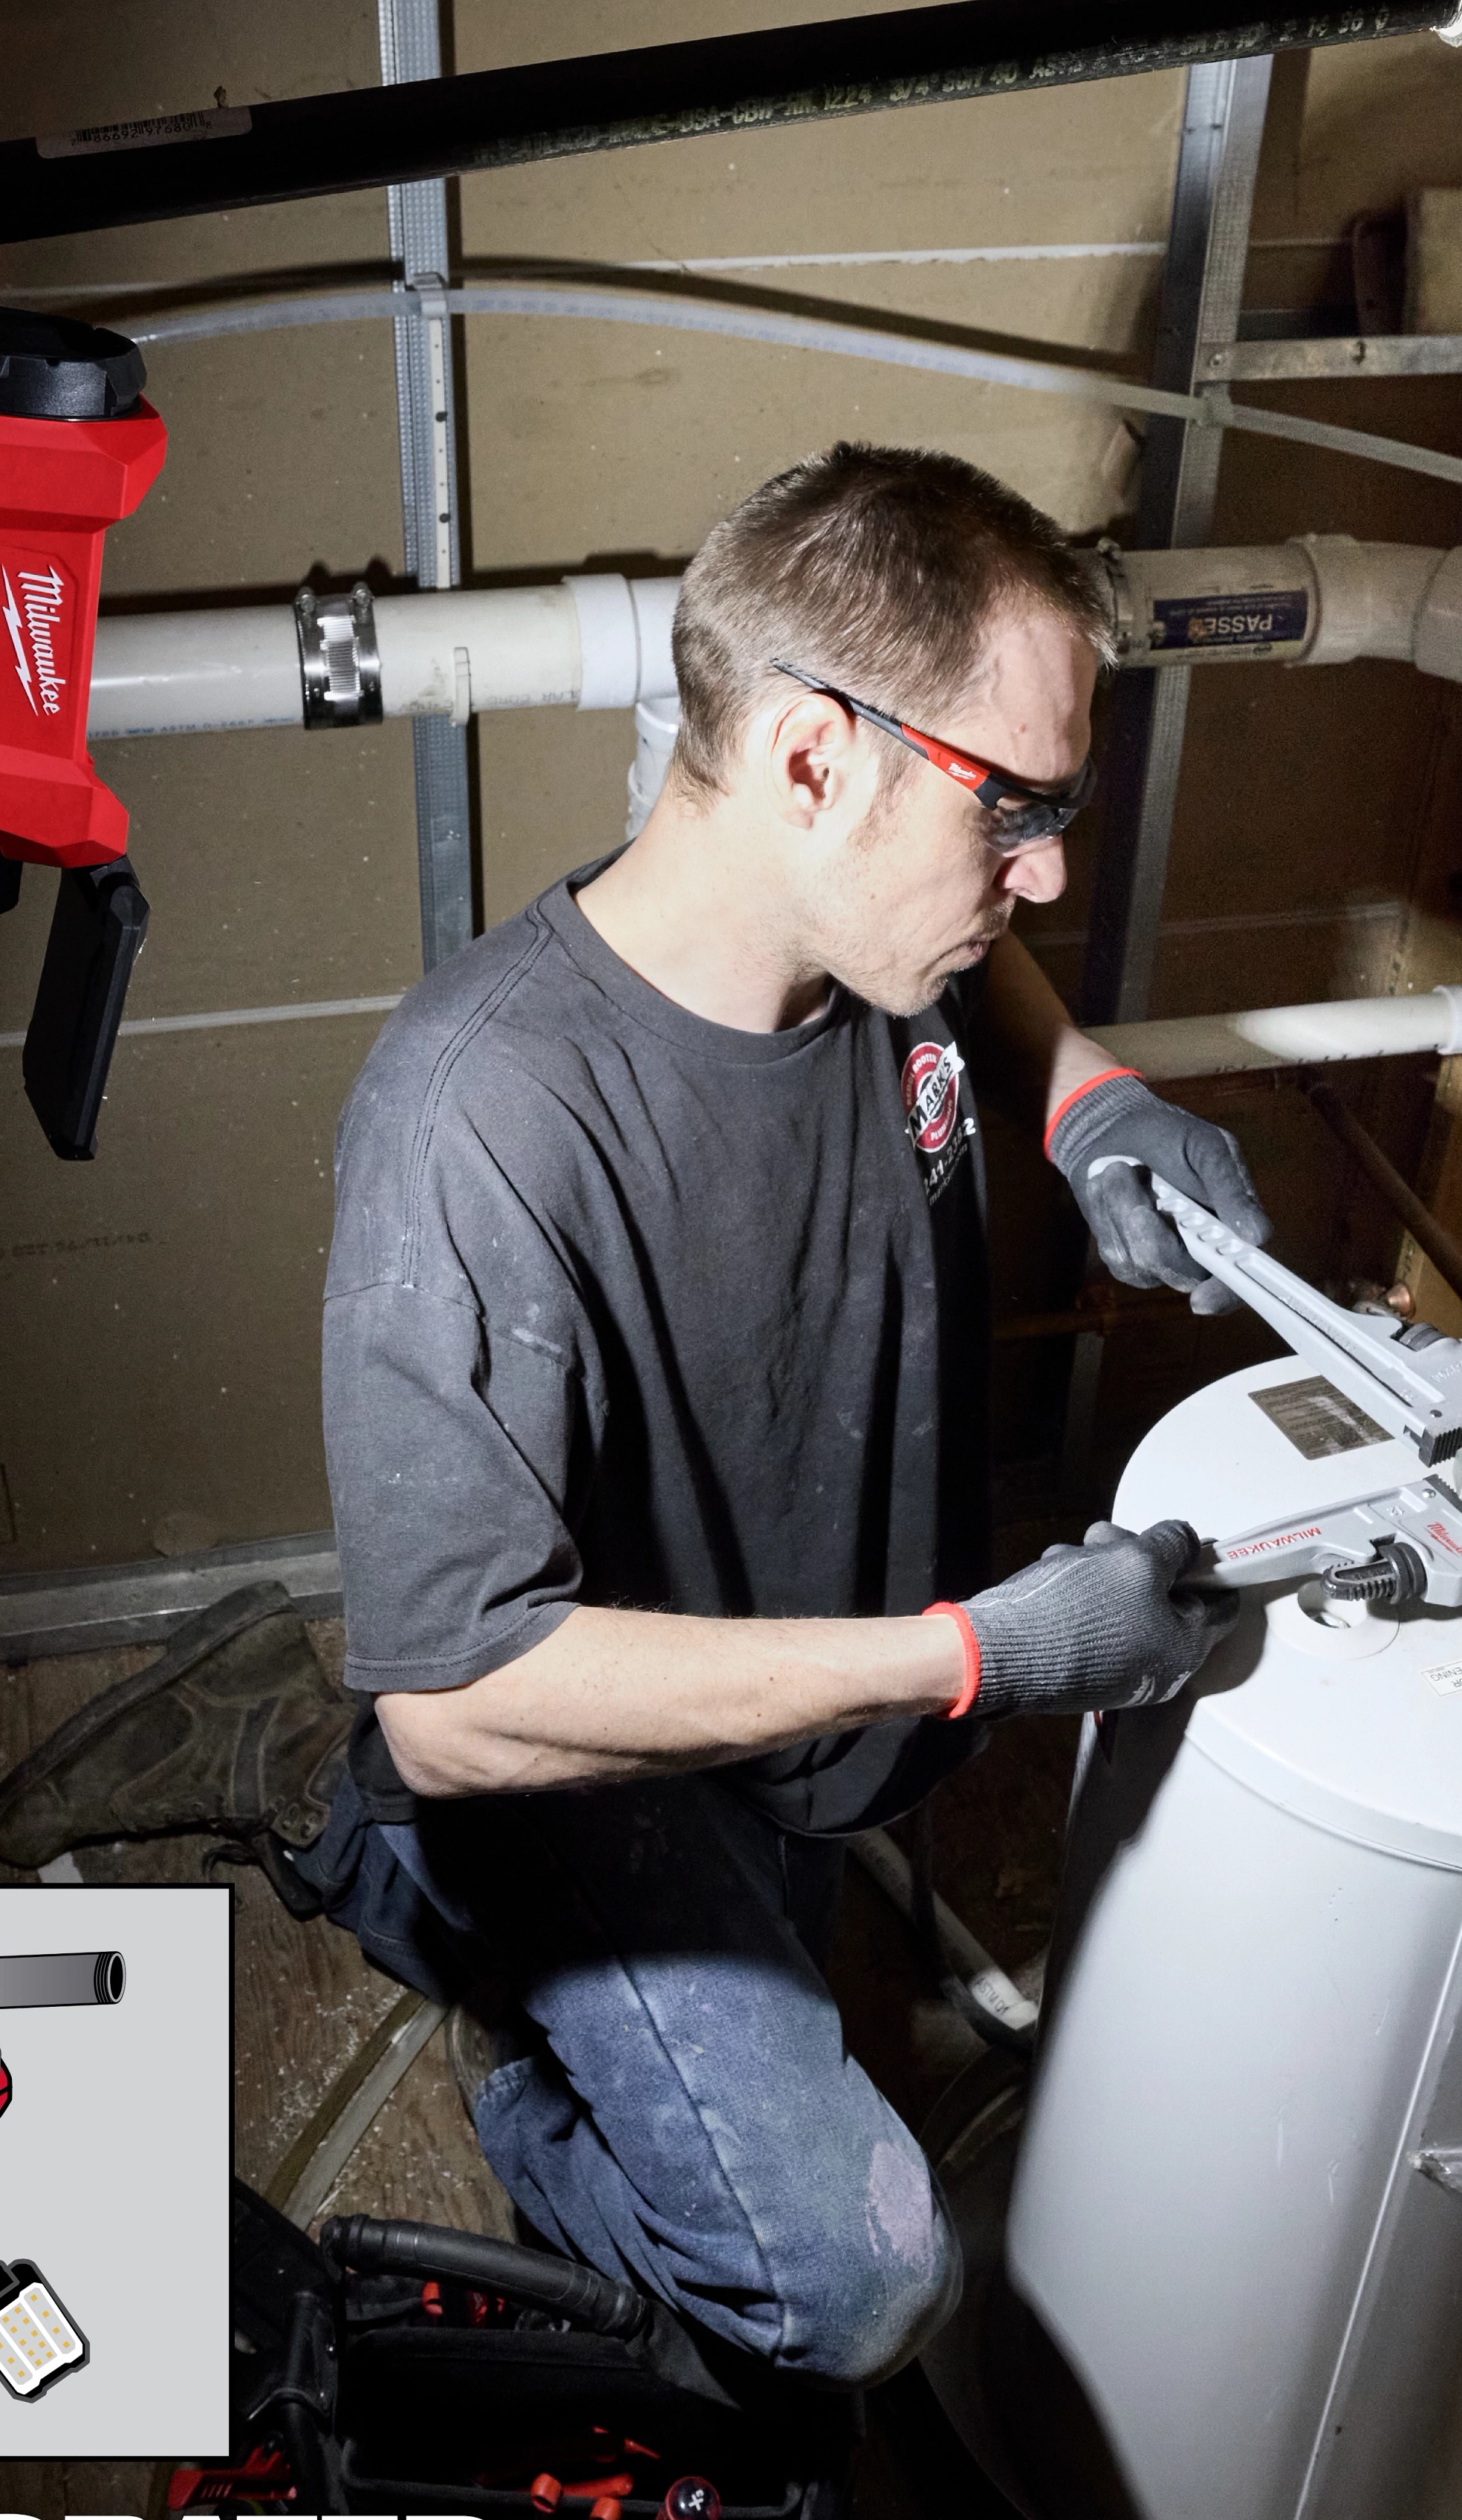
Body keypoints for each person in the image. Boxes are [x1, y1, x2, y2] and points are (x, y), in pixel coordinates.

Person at [293, 441, 1277, 2389]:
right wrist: (963, 1657)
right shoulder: (482, 1122)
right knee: (856, 2280)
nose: (1051, 871)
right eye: (1021, 809)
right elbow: (464, 1696)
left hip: (820, 1718)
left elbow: (979, 974)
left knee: (815, 1940)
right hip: (599, 1775)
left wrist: (1082, 1099)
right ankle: (516, 2080)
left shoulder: (881, 940)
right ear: (816, 761)